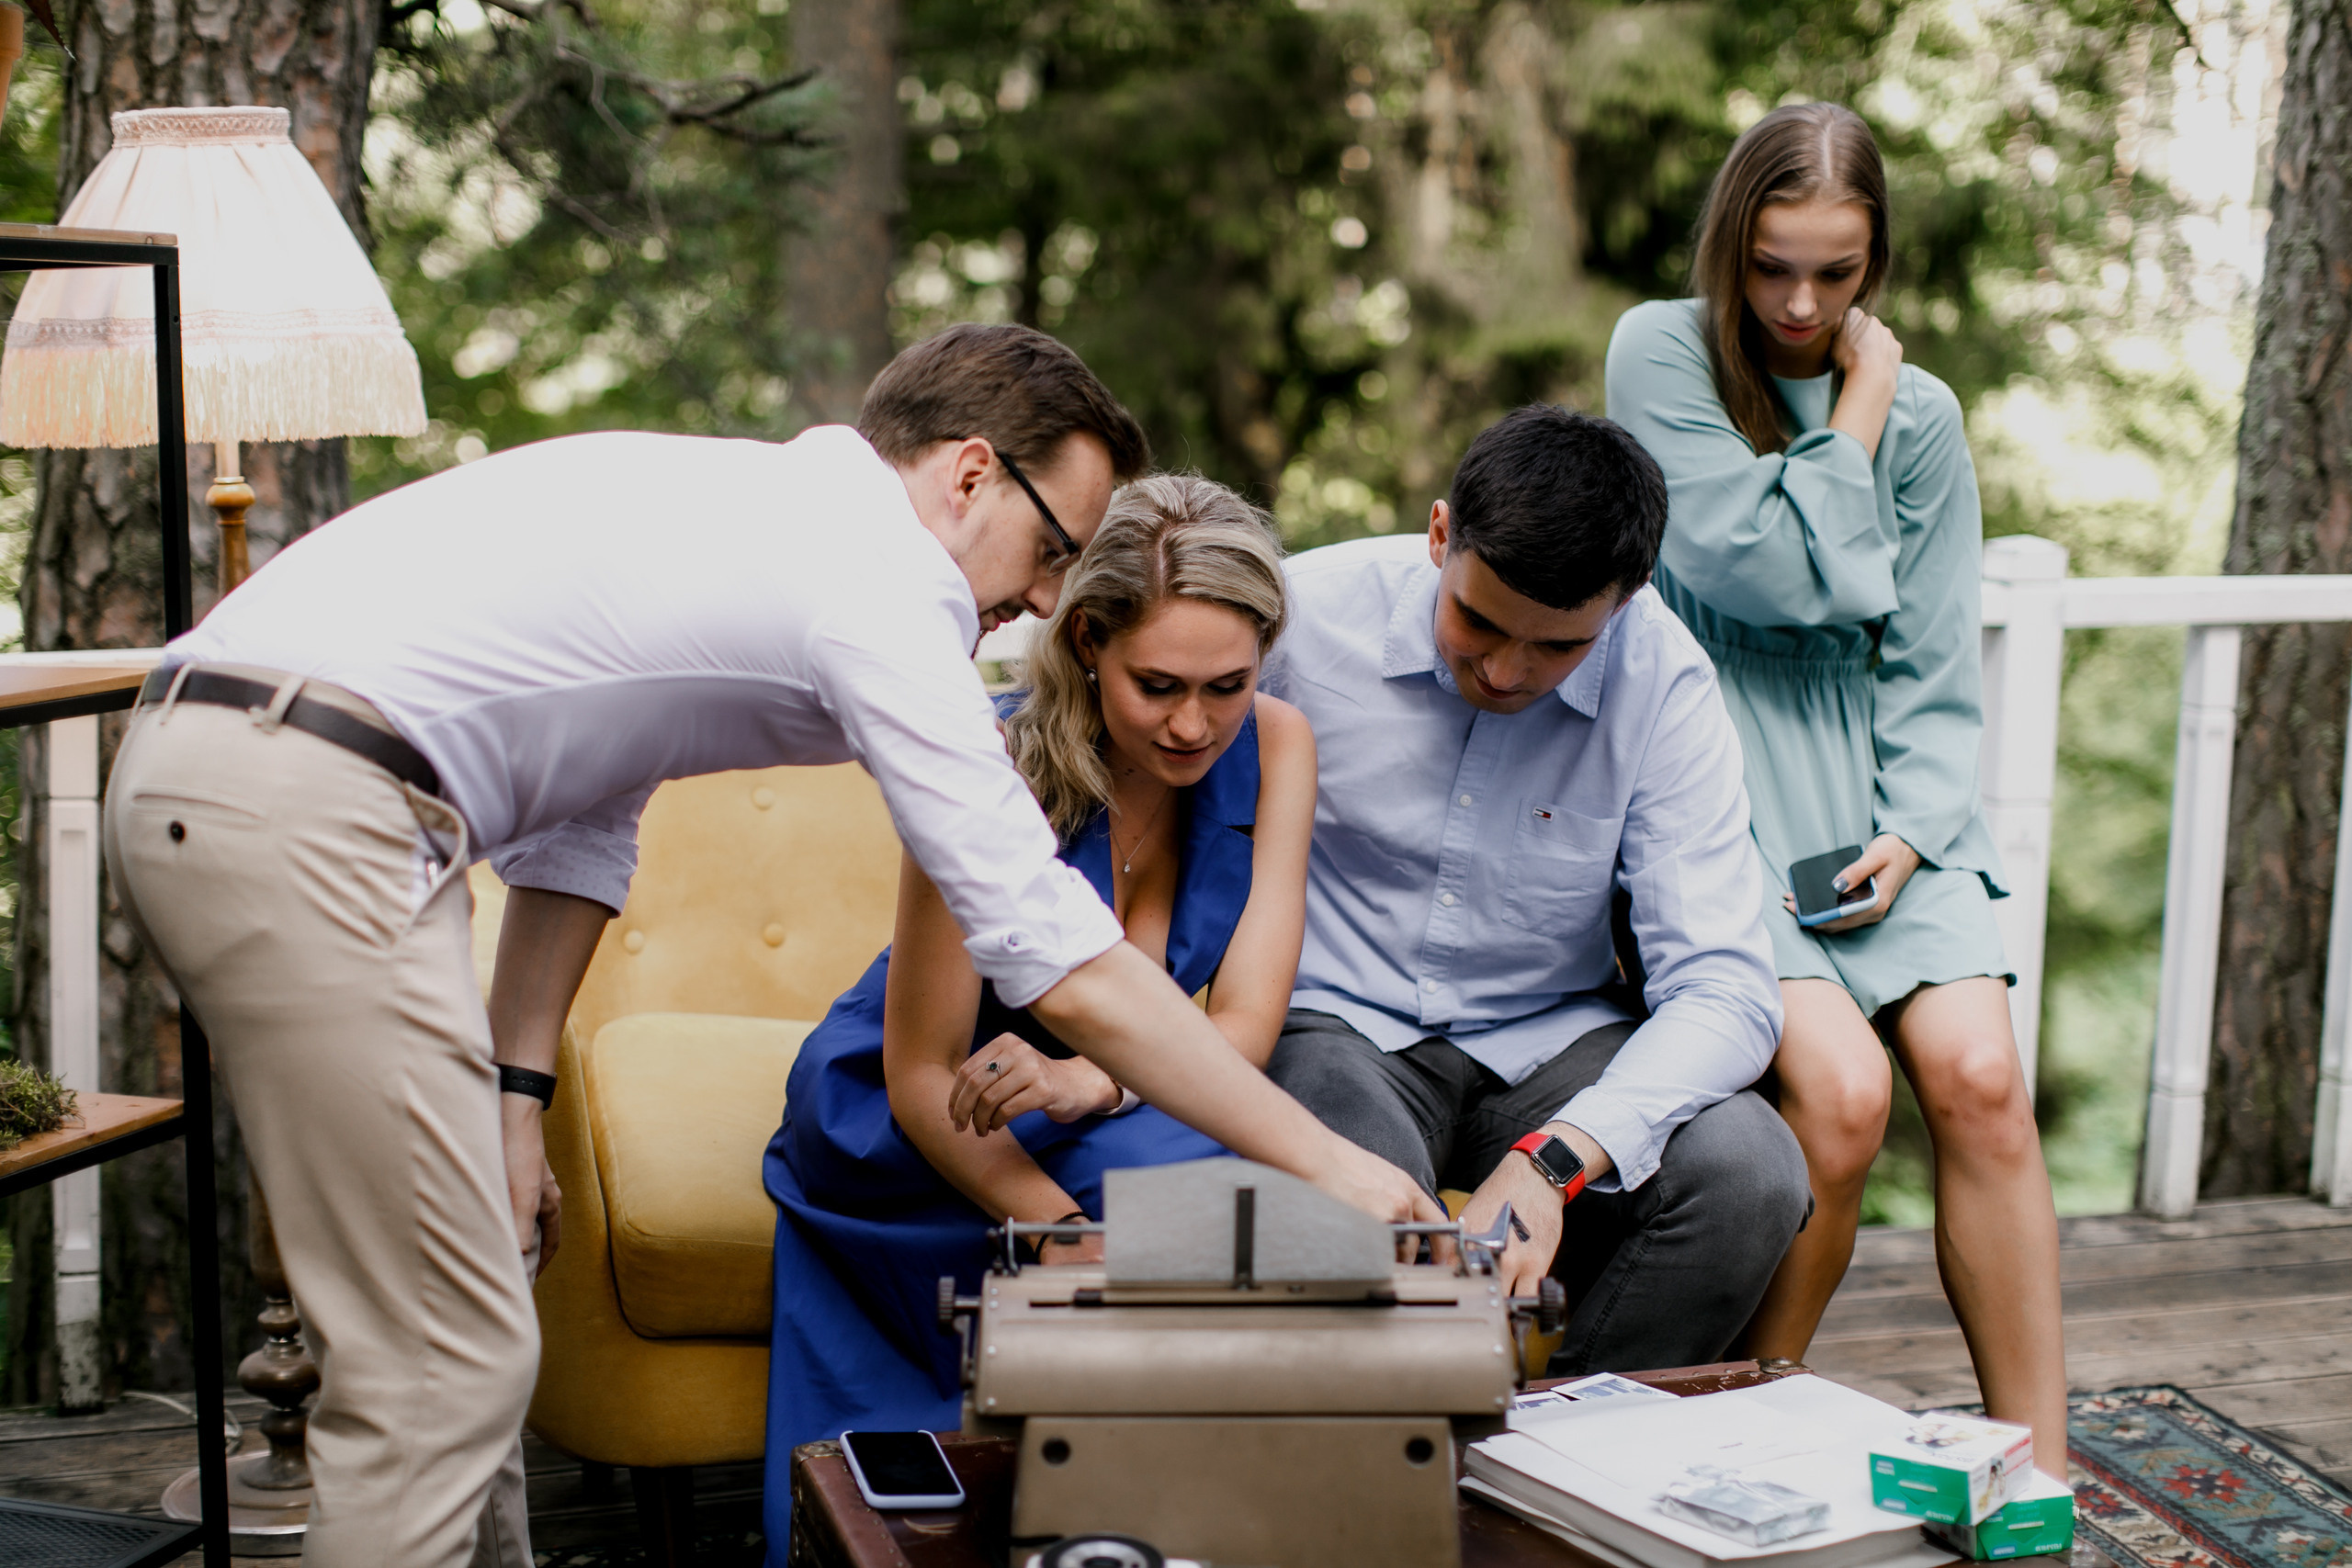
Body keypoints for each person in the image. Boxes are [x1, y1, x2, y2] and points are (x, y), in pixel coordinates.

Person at [102, 324, 1439, 1568]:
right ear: (973, 473)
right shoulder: (875, 582)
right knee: (434, 1365)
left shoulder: (760, 514)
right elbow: (1050, 946)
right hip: (304, 791)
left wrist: (518, 1099)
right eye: (1051, 553)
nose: (1042, 605)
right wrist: (1331, 1162)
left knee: (468, 1332)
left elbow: (582, 823)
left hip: (273, 777)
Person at [1602, 102, 2066, 1469]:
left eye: (1837, 273)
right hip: (1709, 775)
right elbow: (1760, 570)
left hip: (1879, 792)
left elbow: (1924, 646)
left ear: (1875, 264)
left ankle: (2039, 1462)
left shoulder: (1926, 418)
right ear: (1728, 248)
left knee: (1981, 1077)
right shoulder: (1662, 352)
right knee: (1846, 1094)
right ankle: (1754, 1410)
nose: (1801, 304)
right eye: (1772, 266)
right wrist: (1855, 408)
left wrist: (1917, 831)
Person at [761, 474, 1311, 1547]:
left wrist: (1090, 1079)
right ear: (1089, 638)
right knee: (1163, 1212)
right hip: (915, 1121)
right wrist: (1058, 1234)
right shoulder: (989, 755)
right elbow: (923, 1076)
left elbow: (1244, 1023)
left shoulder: (1280, 742)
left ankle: (1184, 1529)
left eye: (1227, 686)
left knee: (1240, 1201)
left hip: (1100, 1100)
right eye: (1157, 685)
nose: (1195, 725)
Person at [1260, 403, 1812, 1373]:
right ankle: (1410, 1454)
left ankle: (1555, 1453)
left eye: (1557, 648)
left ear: (1627, 600)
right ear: (1439, 536)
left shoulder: (1667, 683)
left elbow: (1726, 990)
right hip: (1335, 1025)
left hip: (1549, 1042)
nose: (1505, 671)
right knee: (1364, 1194)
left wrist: (1557, 1155)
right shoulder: (1299, 621)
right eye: (1476, 621)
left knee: (1751, 1175)